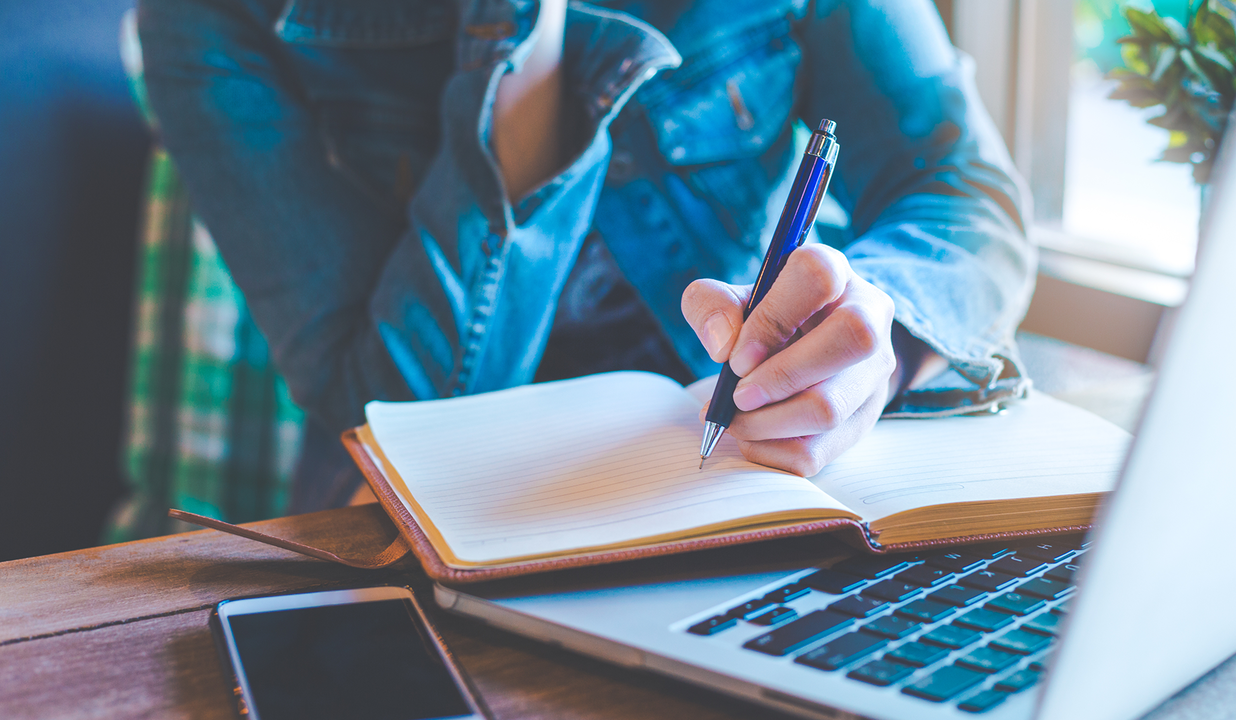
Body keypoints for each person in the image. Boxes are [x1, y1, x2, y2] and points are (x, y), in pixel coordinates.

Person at [135, 0, 1034, 509]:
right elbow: (394, 420)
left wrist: (876, 335)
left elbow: (964, 193)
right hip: (411, 530)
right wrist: (520, 40)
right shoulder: (213, 19)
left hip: (729, 479)